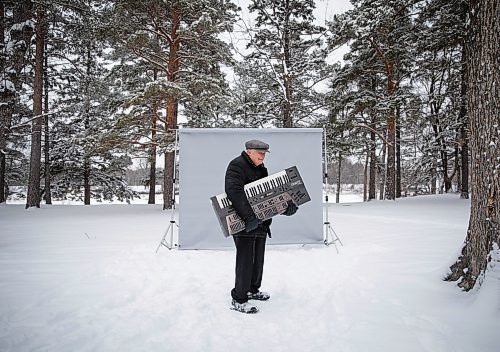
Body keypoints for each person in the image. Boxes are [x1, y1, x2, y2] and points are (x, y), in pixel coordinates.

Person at [225, 139, 298, 314]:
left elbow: (265, 198)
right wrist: (249, 217)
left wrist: (284, 208)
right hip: (243, 222)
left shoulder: (261, 168)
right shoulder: (236, 165)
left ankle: (252, 290)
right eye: (260, 153)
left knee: (257, 259)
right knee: (245, 260)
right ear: (249, 151)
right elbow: (233, 192)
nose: (263, 157)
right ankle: (239, 298)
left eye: (264, 154)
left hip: (261, 223)